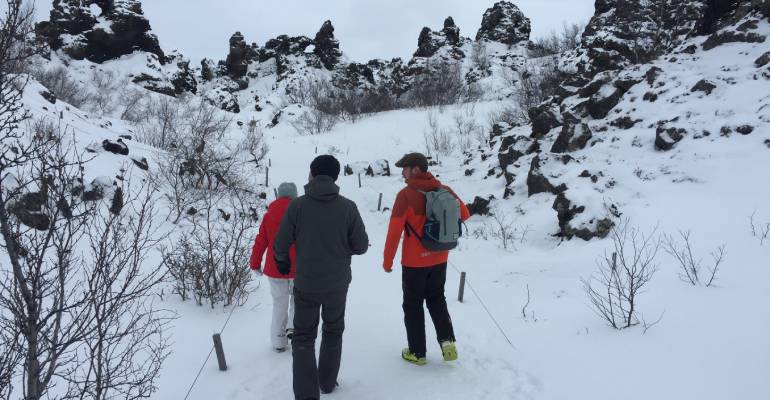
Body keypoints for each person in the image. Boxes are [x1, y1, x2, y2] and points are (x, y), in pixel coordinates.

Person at [273, 155, 369, 400]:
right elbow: (361, 246)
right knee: (333, 330)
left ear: (312, 174)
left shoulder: (297, 206)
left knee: (303, 337)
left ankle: (307, 395)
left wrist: (282, 261)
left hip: (306, 283)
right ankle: (327, 383)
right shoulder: (348, 207)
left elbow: (281, 243)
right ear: (335, 177)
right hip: (337, 284)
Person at [383, 152, 470, 366]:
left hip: (414, 263)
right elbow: (465, 214)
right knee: (437, 300)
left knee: (412, 305)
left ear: (415, 169)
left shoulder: (405, 196)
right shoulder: (444, 189)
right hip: (439, 257)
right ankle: (448, 343)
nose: (402, 172)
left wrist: (388, 261)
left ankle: (417, 352)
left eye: (405, 168)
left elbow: (394, 232)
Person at [250, 182, 298, 353]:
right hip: (299, 268)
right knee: (298, 301)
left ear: (279, 196)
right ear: (295, 195)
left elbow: (261, 240)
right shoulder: (302, 212)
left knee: (279, 303)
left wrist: (255, 263)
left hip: (276, 268)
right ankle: (294, 330)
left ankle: (278, 342)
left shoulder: (269, 215)